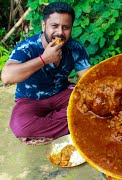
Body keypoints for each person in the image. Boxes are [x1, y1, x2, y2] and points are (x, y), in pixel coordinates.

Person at [1, 2, 91, 145]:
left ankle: (47, 127)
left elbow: (89, 80)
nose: (60, 32)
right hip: (30, 100)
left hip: (62, 94)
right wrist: (44, 59)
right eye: (54, 26)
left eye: (66, 27)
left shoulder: (74, 48)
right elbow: (6, 77)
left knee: (90, 104)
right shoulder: (27, 47)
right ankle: (72, 123)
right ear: (44, 26)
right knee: (21, 127)